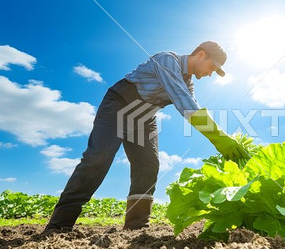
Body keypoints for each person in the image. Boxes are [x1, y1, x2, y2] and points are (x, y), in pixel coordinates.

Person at [44, 41, 248, 232]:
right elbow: (185, 104)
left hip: (144, 118)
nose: (210, 73)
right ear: (201, 54)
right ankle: (59, 224)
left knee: (148, 165)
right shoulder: (168, 60)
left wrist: (218, 136)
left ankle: (136, 226)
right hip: (119, 105)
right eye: (212, 67)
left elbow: (193, 106)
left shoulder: (189, 83)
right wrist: (219, 138)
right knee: (98, 157)